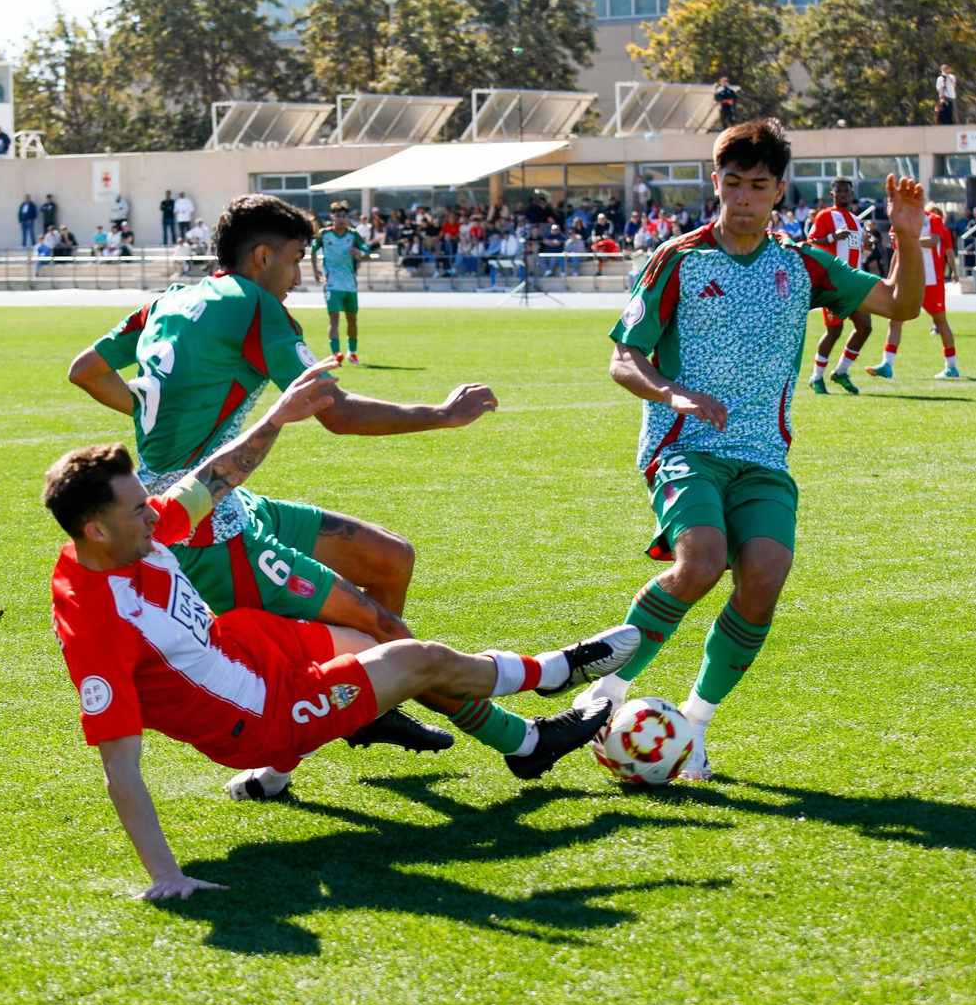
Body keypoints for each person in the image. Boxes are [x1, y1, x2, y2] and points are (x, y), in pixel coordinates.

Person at [67, 193, 609, 785]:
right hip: (207, 528)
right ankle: (522, 740)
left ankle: (367, 707)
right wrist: (441, 414)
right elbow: (338, 413)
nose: (301, 277)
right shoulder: (255, 305)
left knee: (390, 557)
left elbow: (87, 369)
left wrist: (153, 409)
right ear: (263, 256)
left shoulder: (165, 300)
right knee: (384, 634)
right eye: (298, 260)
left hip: (217, 501)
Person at [46, 422, 629, 898]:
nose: (155, 518)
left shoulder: (124, 539)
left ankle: (285, 773)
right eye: (137, 512)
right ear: (95, 530)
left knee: (376, 636)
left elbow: (208, 481)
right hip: (264, 718)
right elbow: (120, 767)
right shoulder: (97, 627)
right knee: (416, 660)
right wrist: (166, 876)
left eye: (149, 505)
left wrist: (281, 415)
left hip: (252, 648)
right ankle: (556, 672)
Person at [580, 118, 925, 781]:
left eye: (757, 185)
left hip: (763, 457)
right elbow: (624, 358)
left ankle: (695, 728)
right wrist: (672, 392)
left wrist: (906, 239)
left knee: (765, 573)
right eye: (731, 182)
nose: (742, 197)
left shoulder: (800, 266)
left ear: (778, 192)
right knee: (702, 560)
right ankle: (608, 686)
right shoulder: (678, 258)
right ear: (716, 181)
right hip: (685, 445)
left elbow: (900, 306)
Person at [868, 202, 958, 379]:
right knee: (895, 320)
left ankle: (951, 366)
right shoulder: (899, 222)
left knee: (940, 321)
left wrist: (910, 240)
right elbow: (897, 252)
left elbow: (933, 241)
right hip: (908, 280)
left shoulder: (933, 219)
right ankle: (887, 364)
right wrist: (891, 278)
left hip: (931, 279)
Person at [806, 177, 873, 393]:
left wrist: (867, 245)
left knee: (865, 327)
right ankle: (816, 377)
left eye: (847, 191)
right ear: (832, 194)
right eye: (839, 191)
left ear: (852, 194)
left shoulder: (854, 219)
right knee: (834, 331)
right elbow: (811, 242)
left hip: (855, 283)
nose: (843, 194)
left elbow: (855, 250)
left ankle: (841, 371)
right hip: (834, 284)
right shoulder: (826, 215)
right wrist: (832, 236)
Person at [312, 201, 370, 364]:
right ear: (332, 217)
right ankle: (336, 354)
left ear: (348, 218)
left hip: (350, 285)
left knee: (352, 319)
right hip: (332, 284)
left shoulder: (353, 235)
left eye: (344, 216)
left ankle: (352, 352)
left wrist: (358, 252)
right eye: (338, 216)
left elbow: (368, 251)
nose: (341, 219)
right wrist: (315, 270)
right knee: (334, 318)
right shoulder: (324, 234)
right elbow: (313, 250)